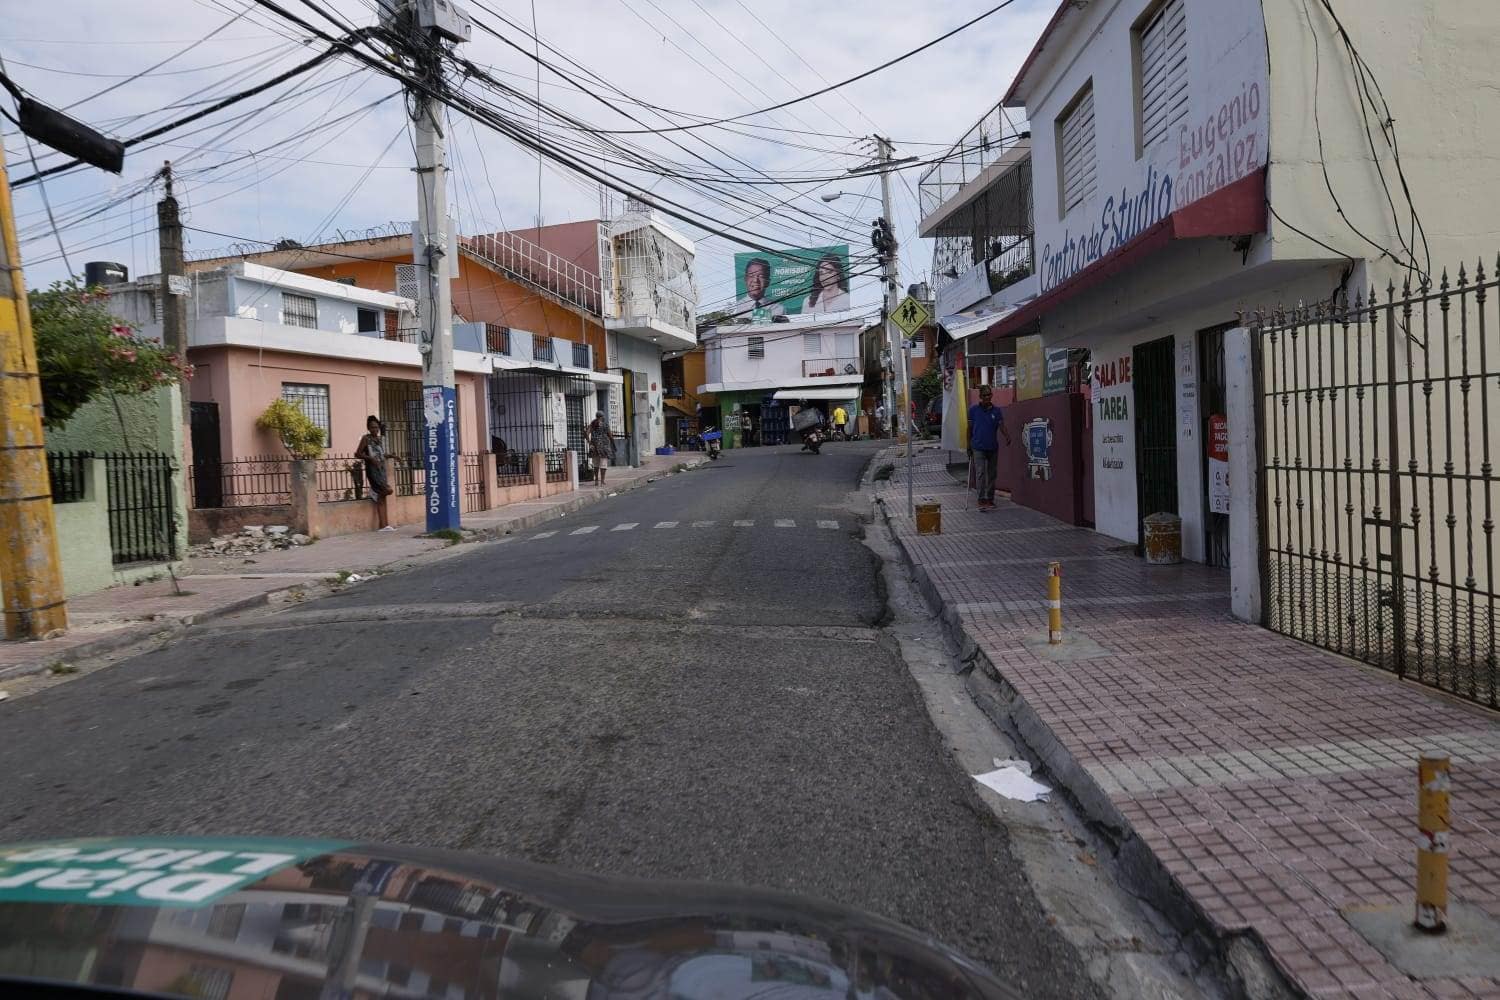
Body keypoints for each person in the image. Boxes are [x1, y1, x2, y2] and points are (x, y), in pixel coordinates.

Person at [967, 385, 1012, 512]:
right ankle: (981, 499)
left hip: (992, 447)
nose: (987, 397)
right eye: (985, 395)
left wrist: (1007, 436)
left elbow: (1001, 425)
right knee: (980, 473)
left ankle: (990, 499)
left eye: (989, 394)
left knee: (992, 474)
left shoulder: (996, 411)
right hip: (978, 447)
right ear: (980, 397)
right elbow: (969, 429)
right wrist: (968, 445)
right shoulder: (973, 410)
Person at [354, 415, 396, 530]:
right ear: (368, 428)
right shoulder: (365, 438)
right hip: (372, 471)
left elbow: (381, 454)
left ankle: (384, 526)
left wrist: (392, 456)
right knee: (388, 490)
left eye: (376, 427)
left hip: (381, 470)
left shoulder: (379, 439)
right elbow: (357, 454)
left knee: (382, 498)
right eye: (372, 427)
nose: (375, 430)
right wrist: (370, 458)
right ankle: (374, 492)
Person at [587, 410, 615, 487]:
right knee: (603, 464)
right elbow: (610, 435)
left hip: (594, 447)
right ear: (602, 417)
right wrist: (613, 444)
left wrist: (590, 443)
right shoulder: (605, 424)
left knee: (595, 464)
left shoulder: (592, 424)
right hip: (604, 447)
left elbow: (586, 433)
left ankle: (596, 480)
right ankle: (602, 481)